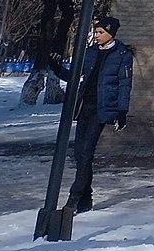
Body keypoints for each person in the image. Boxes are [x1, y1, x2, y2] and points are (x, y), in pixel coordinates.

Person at [56, 15, 134, 214]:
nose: (97, 36)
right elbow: (74, 74)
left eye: (101, 32)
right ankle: (86, 198)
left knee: (86, 152)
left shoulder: (122, 54)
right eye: (96, 32)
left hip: (102, 109)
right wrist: (56, 68)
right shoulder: (90, 52)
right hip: (85, 107)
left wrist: (122, 111)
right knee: (80, 153)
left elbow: (125, 85)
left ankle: (73, 199)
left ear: (111, 33)